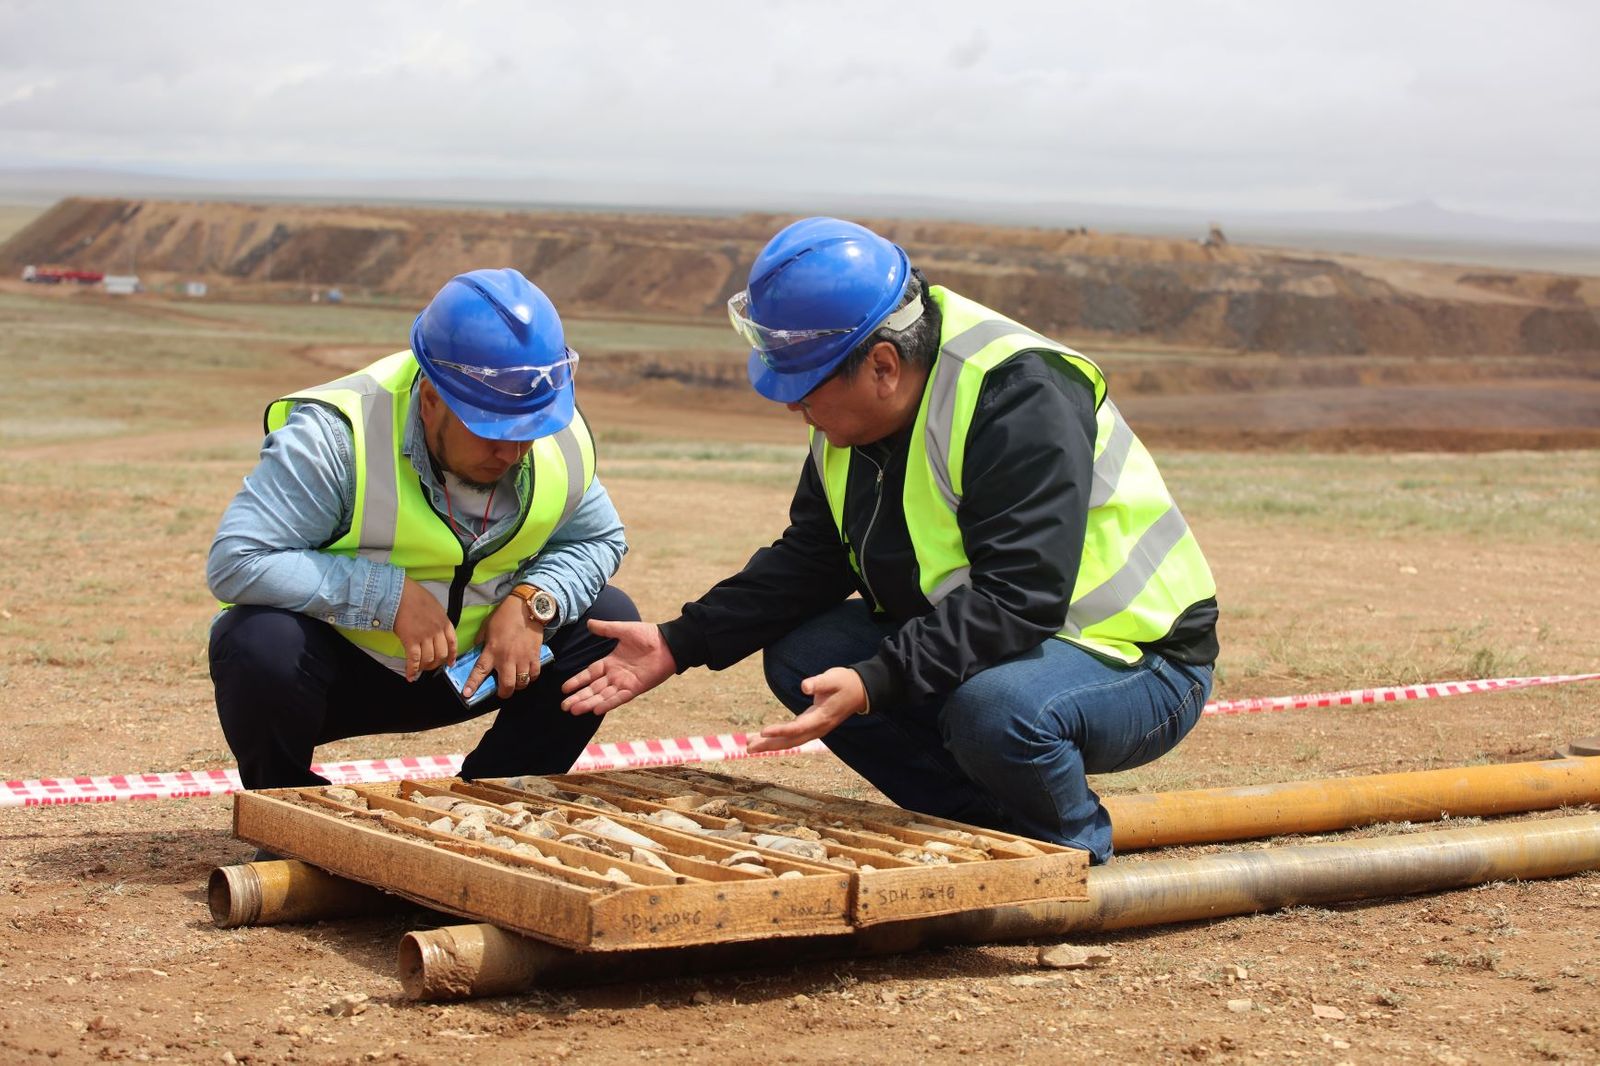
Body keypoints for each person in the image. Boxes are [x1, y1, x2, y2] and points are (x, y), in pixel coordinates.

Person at [561, 218, 1218, 864]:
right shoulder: (850, 410)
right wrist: (682, 640)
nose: (795, 408)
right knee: (805, 656)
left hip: (1136, 659)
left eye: (805, 390)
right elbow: (813, 558)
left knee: (992, 712)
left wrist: (880, 679)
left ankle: (1068, 848)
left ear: (882, 365)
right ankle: (984, 829)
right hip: (1011, 645)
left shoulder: (1019, 395)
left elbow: (1019, 597)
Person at [208, 267, 637, 789]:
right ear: (431, 399)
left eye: (530, 429)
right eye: (491, 430)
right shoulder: (337, 437)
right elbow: (239, 559)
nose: (514, 450)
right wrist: (386, 598)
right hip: (347, 674)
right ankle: (291, 815)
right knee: (258, 642)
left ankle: (495, 802)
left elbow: (599, 538)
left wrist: (534, 601)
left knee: (608, 620)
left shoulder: (547, 427)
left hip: (477, 670)